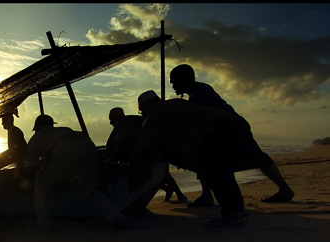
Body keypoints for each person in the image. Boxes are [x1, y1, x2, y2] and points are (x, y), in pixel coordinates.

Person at [170, 64, 295, 206]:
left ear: (183, 80)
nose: (173, 86)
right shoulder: (198, 92)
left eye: (174, 82)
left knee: (256, 157)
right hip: (230, 127)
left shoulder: (199, 95)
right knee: (206, 157)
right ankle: (206, 195)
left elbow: (205, 121)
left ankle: (284, 189)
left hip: (234, 128)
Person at [130, 90, 247, 228]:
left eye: (141, 111)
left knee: (216, 173)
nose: (142, 115)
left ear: (146, 107)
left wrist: (134, 169)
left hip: (210, 134)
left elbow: (142, 148)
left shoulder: (154, 116)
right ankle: (238, 210)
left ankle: (231, 215)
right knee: (223, 173)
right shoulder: (175, 103)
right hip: (229, 125)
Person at [27, 114, 125, 232]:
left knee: (40, 184)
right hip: (87, 145)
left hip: (63, 149)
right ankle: (116, 216)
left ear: (37, 127)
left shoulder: (36, 137)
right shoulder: (63, 130)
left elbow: (33, 165)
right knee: (90, 190)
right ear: (51, 125)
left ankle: (44, 225)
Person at [105, 107, 188, 203]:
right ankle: (173, 192)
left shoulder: (127, 125)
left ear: (117, 117)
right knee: (161, 175)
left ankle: (180, 195)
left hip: (152, 155)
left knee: (156, 174)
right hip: (153, 154)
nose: (110, 122)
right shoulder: (131, 123)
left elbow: (121, 145)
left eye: (111, 119)